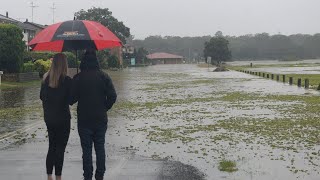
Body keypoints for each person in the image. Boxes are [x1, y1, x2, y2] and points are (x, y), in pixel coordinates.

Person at [72, 50, 117, 180]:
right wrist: (105, 107)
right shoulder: (104, 76)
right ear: (96, 61)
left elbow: (71, 100)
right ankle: (100, 175)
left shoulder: (78, 78)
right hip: (100, 118)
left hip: (84, 119)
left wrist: (74, 83)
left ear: (83, 62)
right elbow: (113, 96)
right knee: (100, 148)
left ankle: (87, 176)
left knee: (86, 150)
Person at [40, 53, 72, 180]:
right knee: (60, 148)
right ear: (64, 65)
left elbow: (41, 97)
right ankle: (58, 176)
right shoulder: (67, 80)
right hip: (63, 119)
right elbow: (71, 100)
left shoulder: (45, 79)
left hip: (49, 118)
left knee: (52, 146)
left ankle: (49, 176)